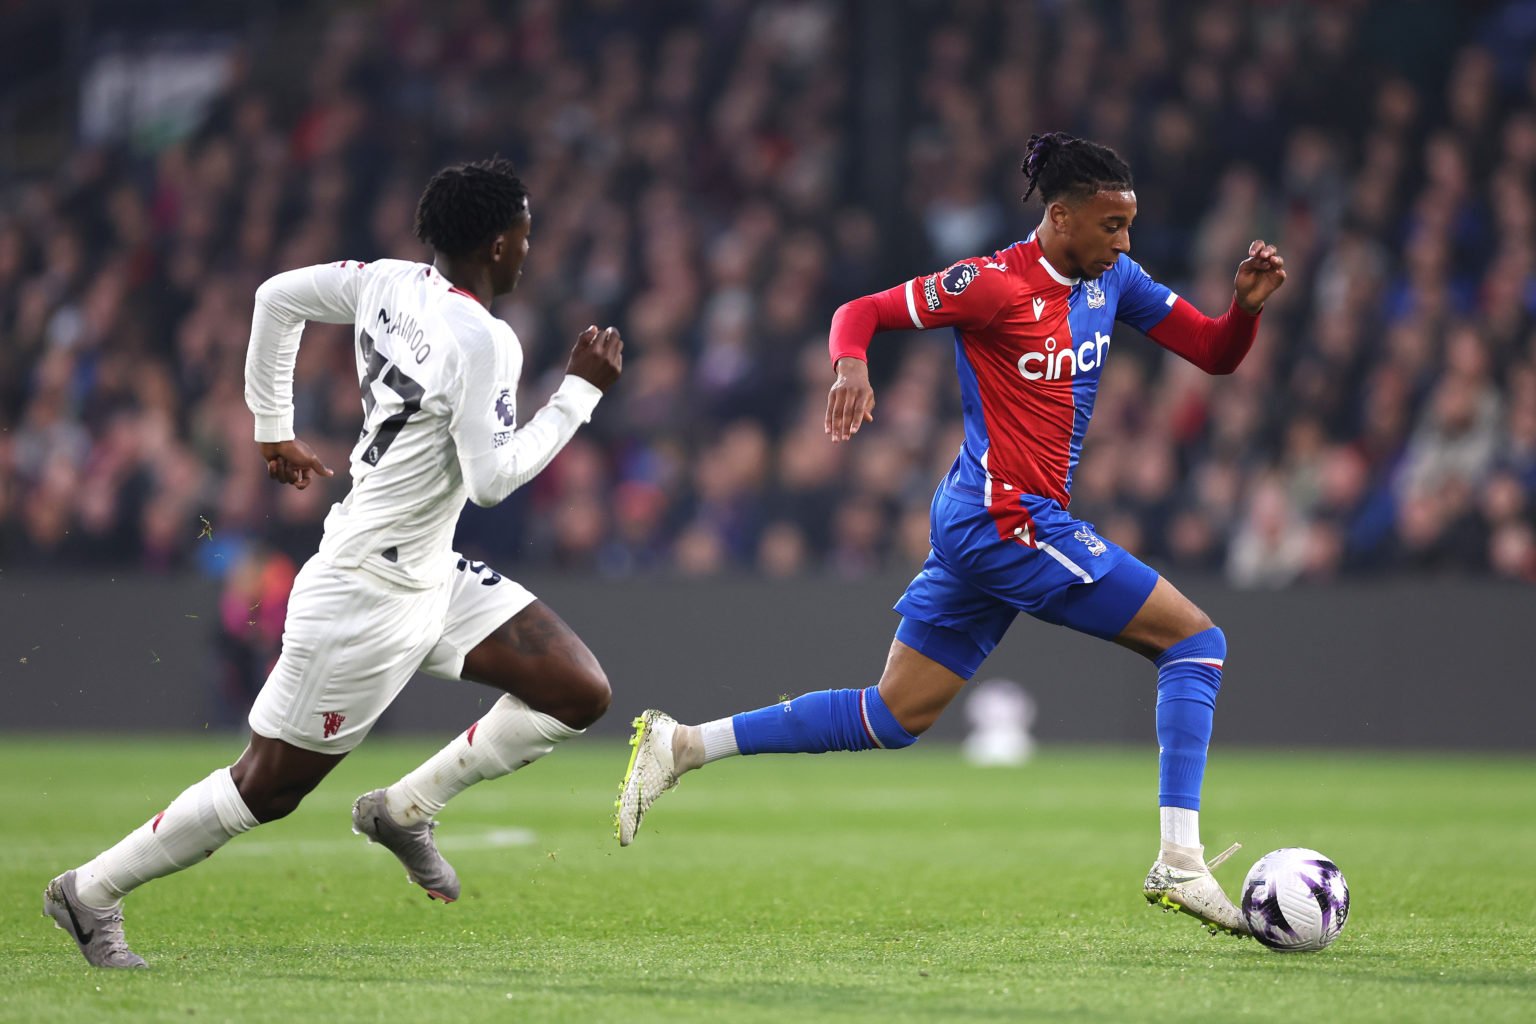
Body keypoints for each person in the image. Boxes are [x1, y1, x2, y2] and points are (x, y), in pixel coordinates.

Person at [617, 132, 1286, 937]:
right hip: (1008, 520)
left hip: (985, 516)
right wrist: (850, 366)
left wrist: (1243, 310)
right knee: (1195, 644)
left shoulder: (1119, 281)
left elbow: (1212, 353)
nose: (1126, 241)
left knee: (894, 716)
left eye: (1129, 225)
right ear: (1063, 216)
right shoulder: (992, 284)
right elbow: (857, 312)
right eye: (1112, 226)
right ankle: (1179, 860)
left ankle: (683, 745)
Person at [45, 158, 624, 968]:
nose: (531, 247)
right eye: (526, 233)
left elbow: (275, 298)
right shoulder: (485, 339)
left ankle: (403, 810)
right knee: (267, 786)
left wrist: (270, 424)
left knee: (577, 690)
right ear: (498, 245)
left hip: (428, 568)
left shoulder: (387, 280)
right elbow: (492, 482)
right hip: (365, 591)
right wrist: (579, 395)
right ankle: (91, 890)